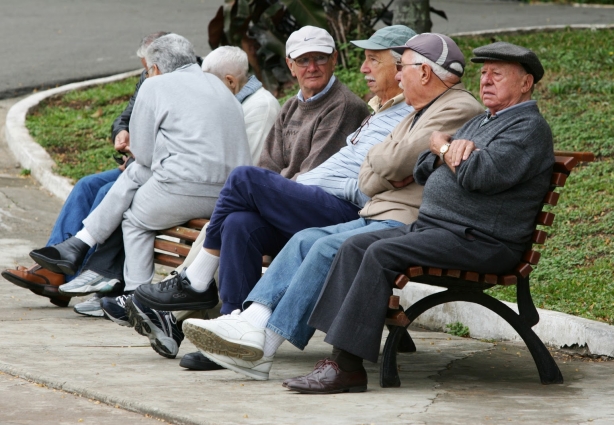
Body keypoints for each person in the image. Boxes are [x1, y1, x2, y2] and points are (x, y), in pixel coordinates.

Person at [182, 33, 485, 380]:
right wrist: (382, 166)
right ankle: (247, 329)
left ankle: (251, 336)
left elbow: (388, 163)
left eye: (401, 67)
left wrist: (383, 165)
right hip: (377, 213)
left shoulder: (457, 107)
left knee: (318, 241)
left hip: (403, 221)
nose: (399, 76)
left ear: (426, 73)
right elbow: (373, 170)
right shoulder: (415, 112)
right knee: (298, 237)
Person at [126, 26, 414, 362]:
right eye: (303, 60)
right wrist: (277, 189)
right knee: (239, 223)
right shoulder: (306, 106)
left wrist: (281, 189)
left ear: (334, 60)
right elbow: (273, 166)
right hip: (308, 202)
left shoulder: (349, 107)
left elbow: (349, 180)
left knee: (245, 180)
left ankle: (196, 280)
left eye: (320, 58)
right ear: (290, 66)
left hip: (343, 213)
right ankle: (229, 331)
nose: (312, 67)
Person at [286, 40, 553, 394]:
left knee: (381, 254)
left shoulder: (527, 128)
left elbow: (479, 174)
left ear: (525, 83)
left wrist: (445, 148)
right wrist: (447, 150)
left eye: (497, 75)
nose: (486, 81)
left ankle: (347, 368)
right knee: (353, 246)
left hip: (482, 240)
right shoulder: (481, 123)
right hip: (440, 231)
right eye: (484, 73)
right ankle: (338, 360)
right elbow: (426, 167)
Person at [28, 34, 252, 315]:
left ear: (154, 68)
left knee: (133, 218)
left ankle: (134, 296)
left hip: (184, 191)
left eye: (147, 70)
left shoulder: (156, 85)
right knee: (137, 174)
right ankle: (78, 245)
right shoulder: (219, 86)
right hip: (229, 193)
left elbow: (143, 155)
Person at [1, 31, 169, 310]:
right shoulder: (149, 78)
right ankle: (54, 269)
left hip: (157, 172)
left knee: (106, 191)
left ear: (159, 64)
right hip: (135, 165)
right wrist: (122, 132)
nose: (145, 74)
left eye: (148, 69)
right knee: (86, 185)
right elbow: (126, 116)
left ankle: (74, 275)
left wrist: (142, 155)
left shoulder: (184, 83)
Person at [202, 46, 280, 162]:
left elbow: (250, 168)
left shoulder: (261, 107)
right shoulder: (233, 104)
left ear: (231, 81)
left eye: (210, 84)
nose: (207, 90)